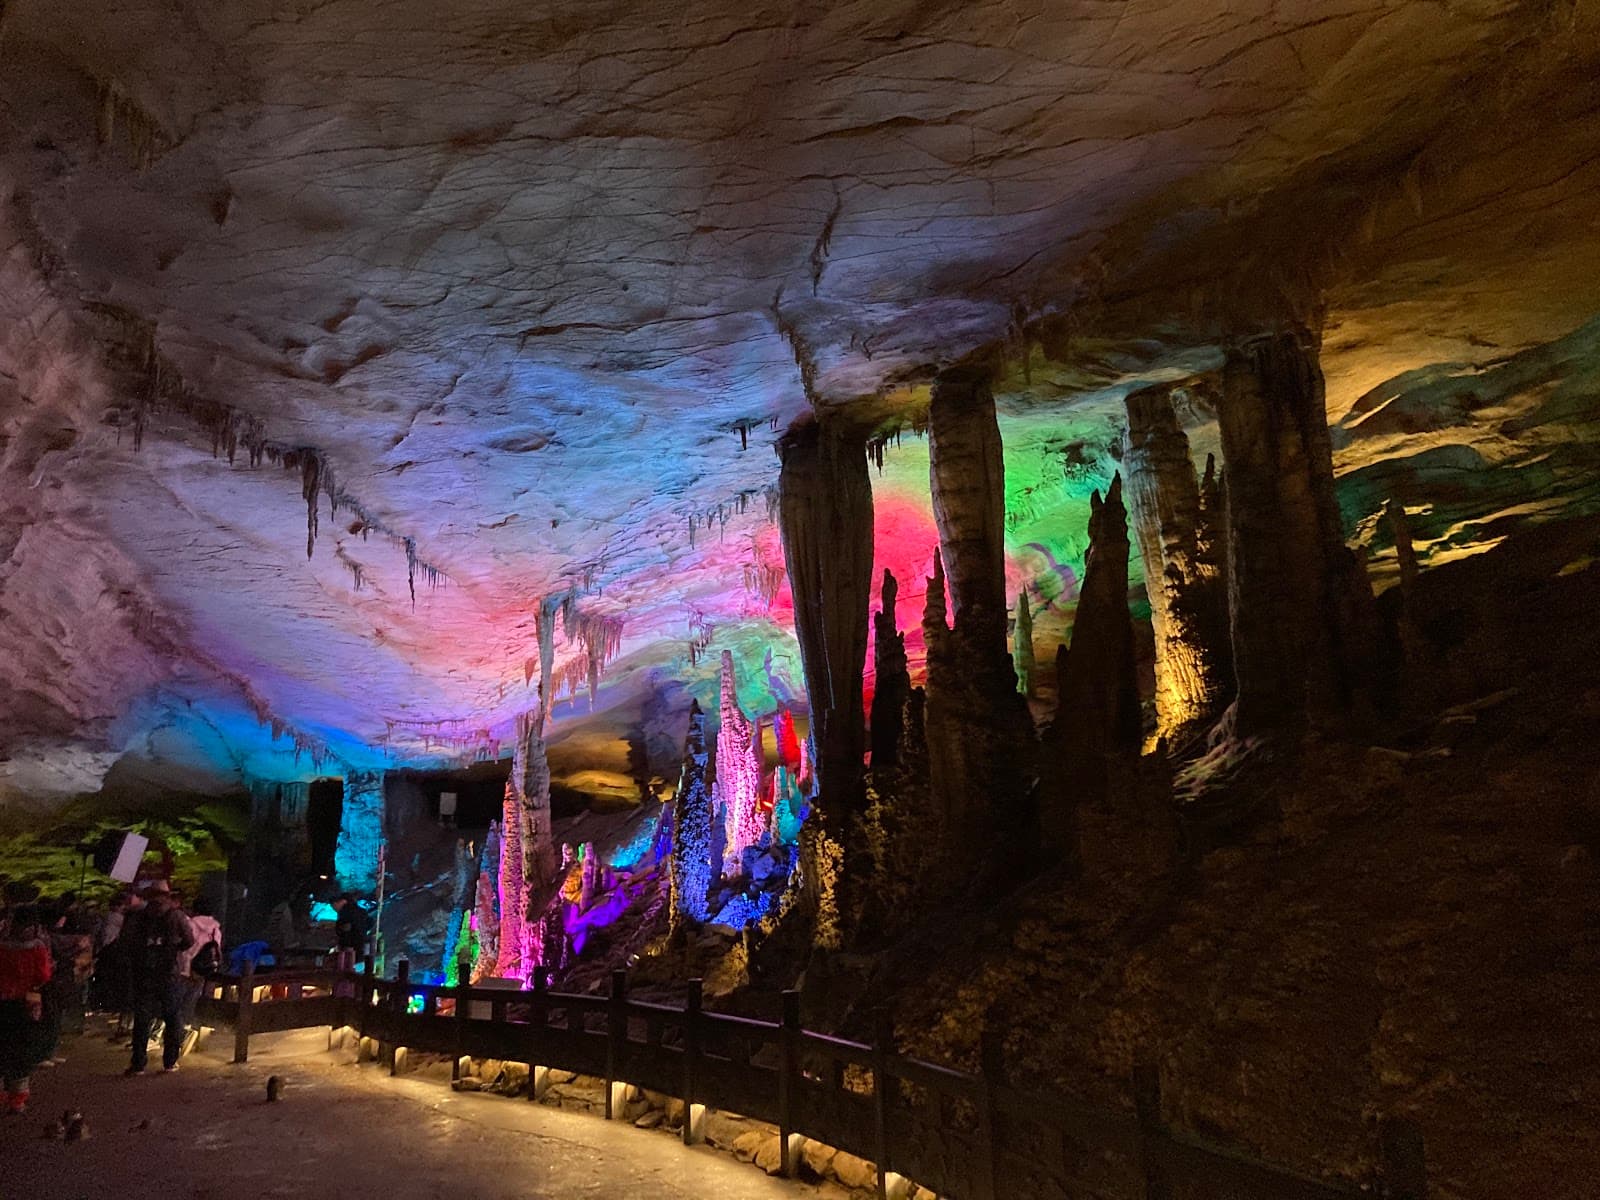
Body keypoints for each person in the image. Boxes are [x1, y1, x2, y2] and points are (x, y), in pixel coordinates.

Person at [125, 881, 193, 1075]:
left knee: (142, 1018)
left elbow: (127, 941)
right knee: (172, 1017)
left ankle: (138, 1063)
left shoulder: (139, 916)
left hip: (144, 972)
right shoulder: (176, 916)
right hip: (169, 972)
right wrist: (174, 948)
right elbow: (189, 940)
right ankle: (170, 1062)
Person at [0, 906, 54, 1114]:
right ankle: (17, 1099)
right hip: (25, 1003)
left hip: (2, 1001)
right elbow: (43, 976)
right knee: (22, 1051)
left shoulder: (2, 945)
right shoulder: (36, 947)